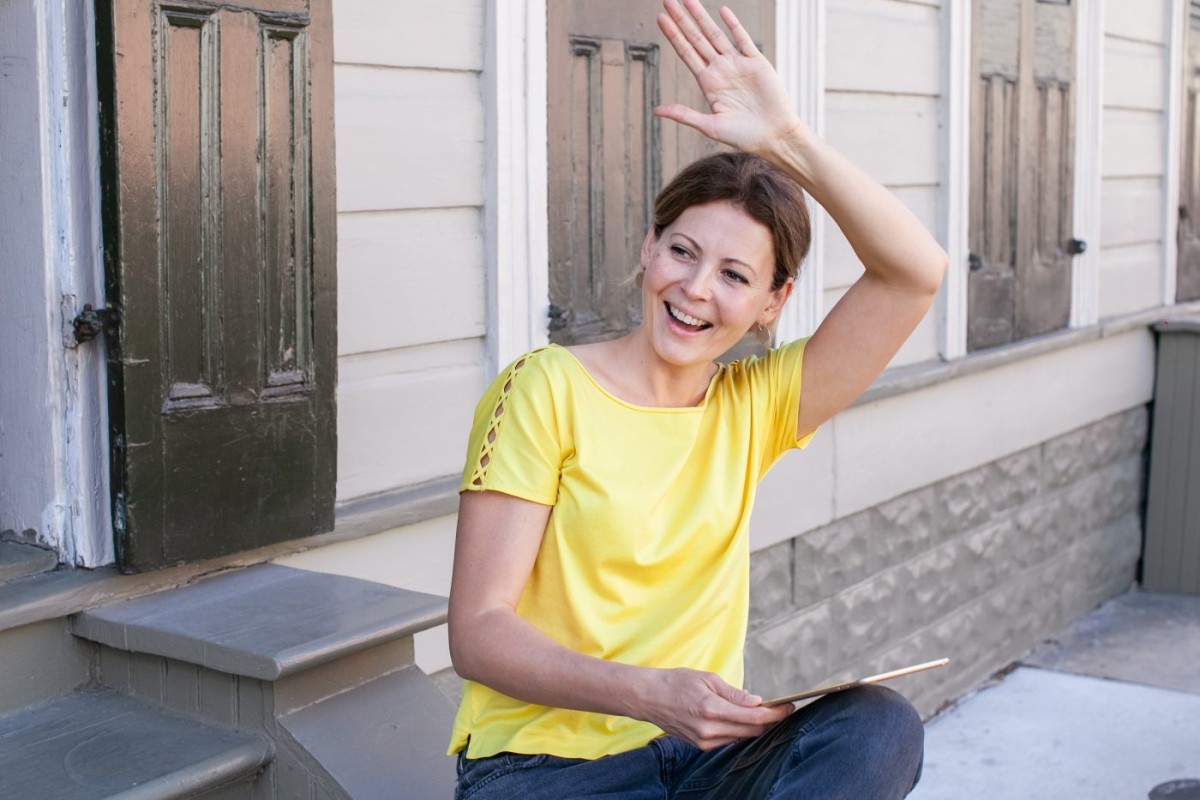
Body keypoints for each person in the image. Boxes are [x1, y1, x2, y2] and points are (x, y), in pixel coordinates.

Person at [446, 1, 948, 797]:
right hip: (547, 769)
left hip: (704, 767)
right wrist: (653, 694)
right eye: (682, 251)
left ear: (772, 302)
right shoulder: (545, 388)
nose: (694, 289)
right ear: (650, 248)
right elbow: (477, 635)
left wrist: (789, 142)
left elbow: (915, 271)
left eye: (735, 276)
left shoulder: (757, 405)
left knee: (879, 727)